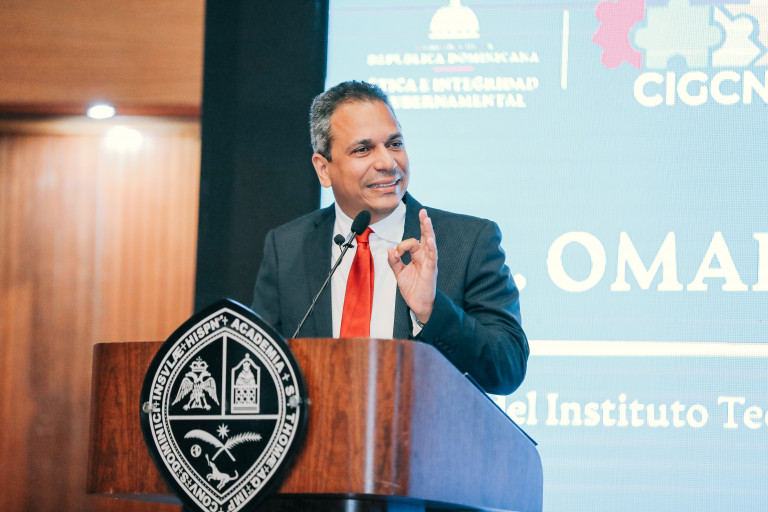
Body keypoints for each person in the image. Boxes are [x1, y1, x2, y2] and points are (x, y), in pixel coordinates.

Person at [251, 81, 528, 395]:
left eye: (394, 144)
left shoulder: (469, 242)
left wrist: (431, 310)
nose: (387, 163)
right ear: (324, 169)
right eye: (363, 149)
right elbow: (258, 368)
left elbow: (508, 368)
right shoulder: (287, 247)